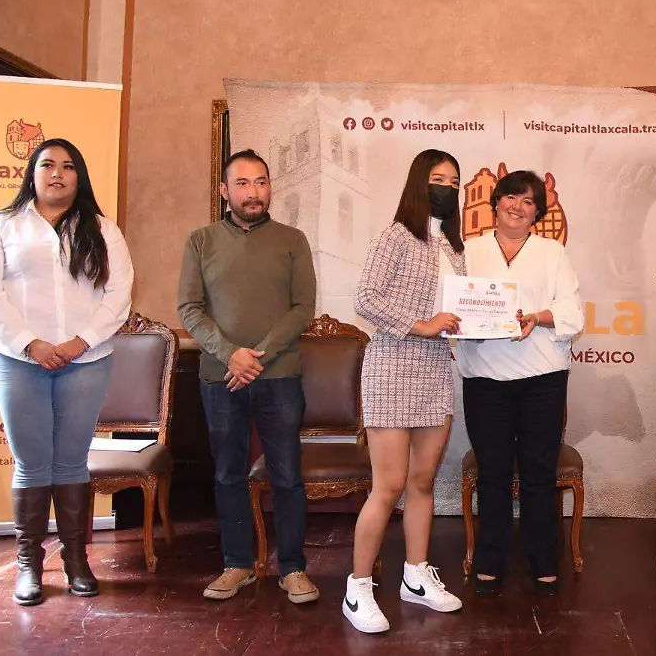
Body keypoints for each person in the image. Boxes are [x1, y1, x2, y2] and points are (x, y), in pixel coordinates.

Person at [0, 138, 134, 605]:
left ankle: (76, 560)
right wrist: (31, 343)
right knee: (31, 463)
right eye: (47, 165)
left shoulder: (102, 230)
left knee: (71, 462)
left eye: (67, 166)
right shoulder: (1, 225)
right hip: (18, 359)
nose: (57, 173)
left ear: (79, 176)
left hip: (86, 359)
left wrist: (80, 341)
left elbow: (118, 293)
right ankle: (29, 565)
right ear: (32, 173)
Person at [178, 149, 318, 604]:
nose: (253, 192)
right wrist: (230, 356)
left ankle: (293, 568)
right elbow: (189, 309)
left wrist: (256, 357)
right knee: (227, 474)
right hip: (221, 378)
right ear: (225, 191)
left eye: (261, 182)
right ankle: (238, 564)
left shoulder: (292, 240)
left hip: (280, 377)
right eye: (242, 183)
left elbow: (303, 308)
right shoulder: (201, 241)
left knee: (287, 475)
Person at [346, 149, 467, 633]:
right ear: (420, 182)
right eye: (439, 178)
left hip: (436, 369)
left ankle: (416, 576)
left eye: (454, 182)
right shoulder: (395, 235)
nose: (447, 188)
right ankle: (358, 588)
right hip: (392, 367)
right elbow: (365, 299)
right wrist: (423, 324)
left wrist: (474, 323)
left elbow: (455, 312)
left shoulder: (455, 248)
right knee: (389, 485)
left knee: (422, 482)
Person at [454, 170, 584, 597]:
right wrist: (466, 325)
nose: (517, 206)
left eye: (528, 201)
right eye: (511, 197)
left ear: (537, 212)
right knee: (492, 472)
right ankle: (490, 559)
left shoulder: (553, 253)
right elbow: (451, 308)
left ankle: (543, 559)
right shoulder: (469, 250)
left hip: (542, 378)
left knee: (538, 474)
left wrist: (537, 317)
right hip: (484, 378)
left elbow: (572, 313)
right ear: (495, 203)